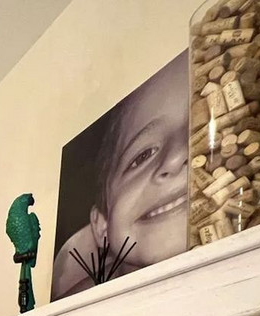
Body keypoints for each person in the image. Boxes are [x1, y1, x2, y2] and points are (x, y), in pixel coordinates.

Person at [52, 54, 189, 300]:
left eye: (197, 133)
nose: (177, 156)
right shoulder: (78, 301)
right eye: (143, 155)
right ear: (102, 226)